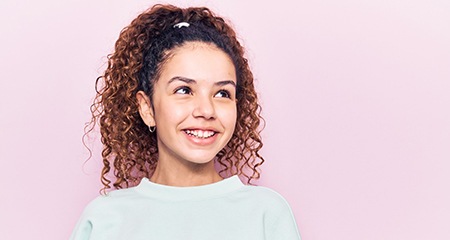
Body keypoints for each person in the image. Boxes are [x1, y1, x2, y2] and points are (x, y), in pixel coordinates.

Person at [71, 4, 301, 240]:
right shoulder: (105, 219)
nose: (206, 110)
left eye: (222, 93)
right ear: (147, 108)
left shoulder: (266, 213)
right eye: (184, 90)